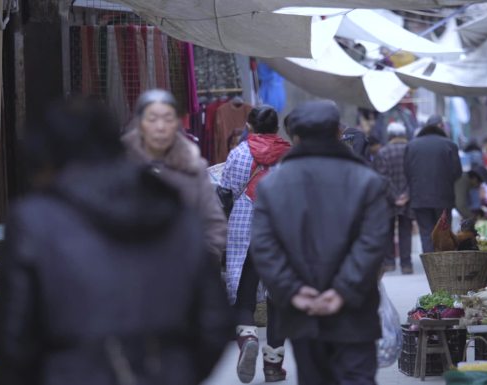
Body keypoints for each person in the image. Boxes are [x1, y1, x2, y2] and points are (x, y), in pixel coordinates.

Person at [0, 97, 233, 385]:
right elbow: (214, 323)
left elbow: (13, 341)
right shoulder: (173, 208)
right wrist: (177, 371)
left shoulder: (33, 220)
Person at [250, 100, 389, 385]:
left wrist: (295, 291)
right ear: (338, 132)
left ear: (295, 136)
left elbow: (264, 247)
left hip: (303, 313)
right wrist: (342, 290)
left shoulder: (272, 186)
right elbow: (372, 242)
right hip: (355, 309)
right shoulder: (366, 181)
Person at [219, 105, 291, 383]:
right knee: (279, 299)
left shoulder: (238, 153)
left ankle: (248, 337)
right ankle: (273, 365)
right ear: (277, 127)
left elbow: (225, 192)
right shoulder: (289, 155)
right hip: (280, 230)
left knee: (244, 291)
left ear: (249, 125)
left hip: (244, 227)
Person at [122, 89, 227, 261]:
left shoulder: (193, 167)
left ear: (177, 123)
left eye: (168, 119)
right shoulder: (120, 164)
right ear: (140, 123)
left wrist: (204, 262)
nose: (160, 127)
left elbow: (213, 222)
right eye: (152, 119)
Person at [405, 115, 463, 253]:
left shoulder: (412, 145)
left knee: (426, 234)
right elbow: (457, 172)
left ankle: (430, 269)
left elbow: (407, 171)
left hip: (419, 198)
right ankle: (443, 268)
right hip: (444, 197)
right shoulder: (450, 145)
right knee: (443, 233)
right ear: (441, 126)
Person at [373, 122, 413, 274]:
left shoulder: (383, 152)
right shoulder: (410, 150)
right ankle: (406, 264)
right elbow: (414, 176)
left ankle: (389, 263)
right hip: (408, 198)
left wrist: (394, 196)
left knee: (388, 230)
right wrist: (406, 194)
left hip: (388, 199)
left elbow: (383, 178)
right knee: (405, 231)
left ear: (389, 135)